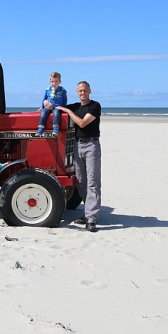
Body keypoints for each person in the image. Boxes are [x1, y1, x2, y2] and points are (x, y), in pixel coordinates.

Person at [58, 81, 102, 233]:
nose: (82, 93)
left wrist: (69, 113)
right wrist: (45, 105)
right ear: (77, 92)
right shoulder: (76, 106)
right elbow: (58, 106)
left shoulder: (95, 106)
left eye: (84, 90)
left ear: (89, 90)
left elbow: (82, 123)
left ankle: (92, 219)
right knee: (81, 182)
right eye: (80, 91)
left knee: (92, 182)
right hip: (77, 146)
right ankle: (87, 212)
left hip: (91, 146)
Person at [36, 72, 67, 136]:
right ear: (50, 81)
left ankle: (55, 128)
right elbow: (44, 99)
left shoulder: (62, 90)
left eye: (56, 81)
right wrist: (42, 107)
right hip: (48, 106)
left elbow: (64, 100)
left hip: (57, 107)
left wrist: (64, 108)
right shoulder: (48, 90)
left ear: (60, 81)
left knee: (56, 114)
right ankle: (41, 128)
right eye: (52, 81)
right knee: (43, 113)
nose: (54, 83)